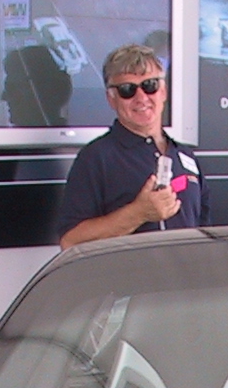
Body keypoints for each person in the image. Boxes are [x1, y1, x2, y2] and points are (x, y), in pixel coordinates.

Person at [56, 45, 206, 249]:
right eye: (127, 90)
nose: (141, 98)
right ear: (111, 99)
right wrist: (139, 213)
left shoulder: (186, 156)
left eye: (150, 85)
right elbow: (70, 241)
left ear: (163, 91)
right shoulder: (96, 158)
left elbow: (204, 233)